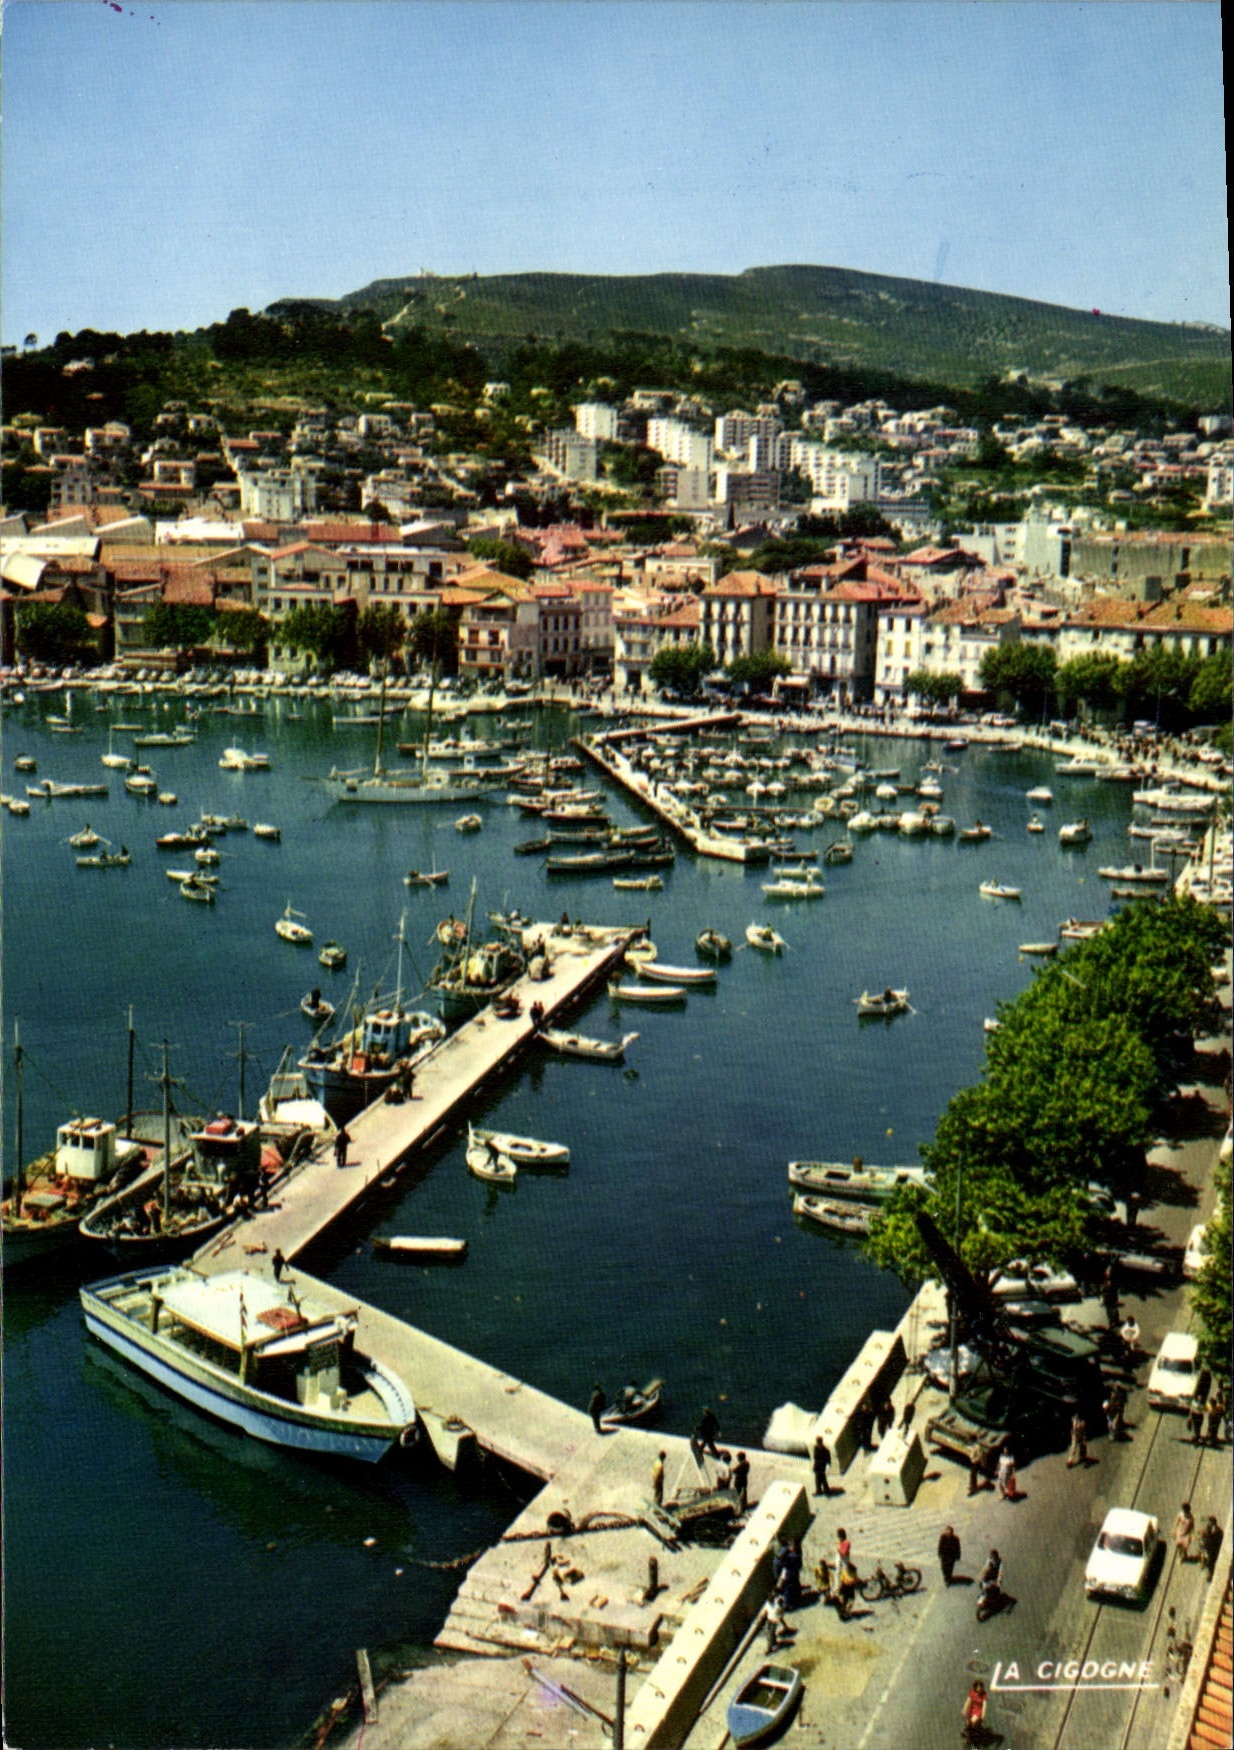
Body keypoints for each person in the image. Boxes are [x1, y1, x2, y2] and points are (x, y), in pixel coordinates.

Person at [962, 1679, 988, 1743]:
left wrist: (983, 1716)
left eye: (981, 1687)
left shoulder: (984, 1695)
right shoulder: (972, 1692)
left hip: (979, 1710)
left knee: (973, 1721)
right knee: (968, 1723)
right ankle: (970, 1731)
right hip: (973, 1708)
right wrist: (964, 1709)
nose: (979, 1689)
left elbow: (984, 1706)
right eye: (978, 1687)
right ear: (975, 1687)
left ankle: (974, 1733)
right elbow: (968, 1701)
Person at [1200, 1515, 1222, 1580]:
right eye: (1209, 1522)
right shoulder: (1208, 1527)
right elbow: (1204, 1535)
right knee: (1202, 1552)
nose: (1209, 1523)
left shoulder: (1218, 1531)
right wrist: (1202, 1540)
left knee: (1210, 1562)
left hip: (1213, 1549)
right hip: (1207, 1546)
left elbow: (1218, 1541)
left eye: (1210, 1522)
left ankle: (1210, 1574)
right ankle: (1203, 1562)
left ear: (1214, 1523)